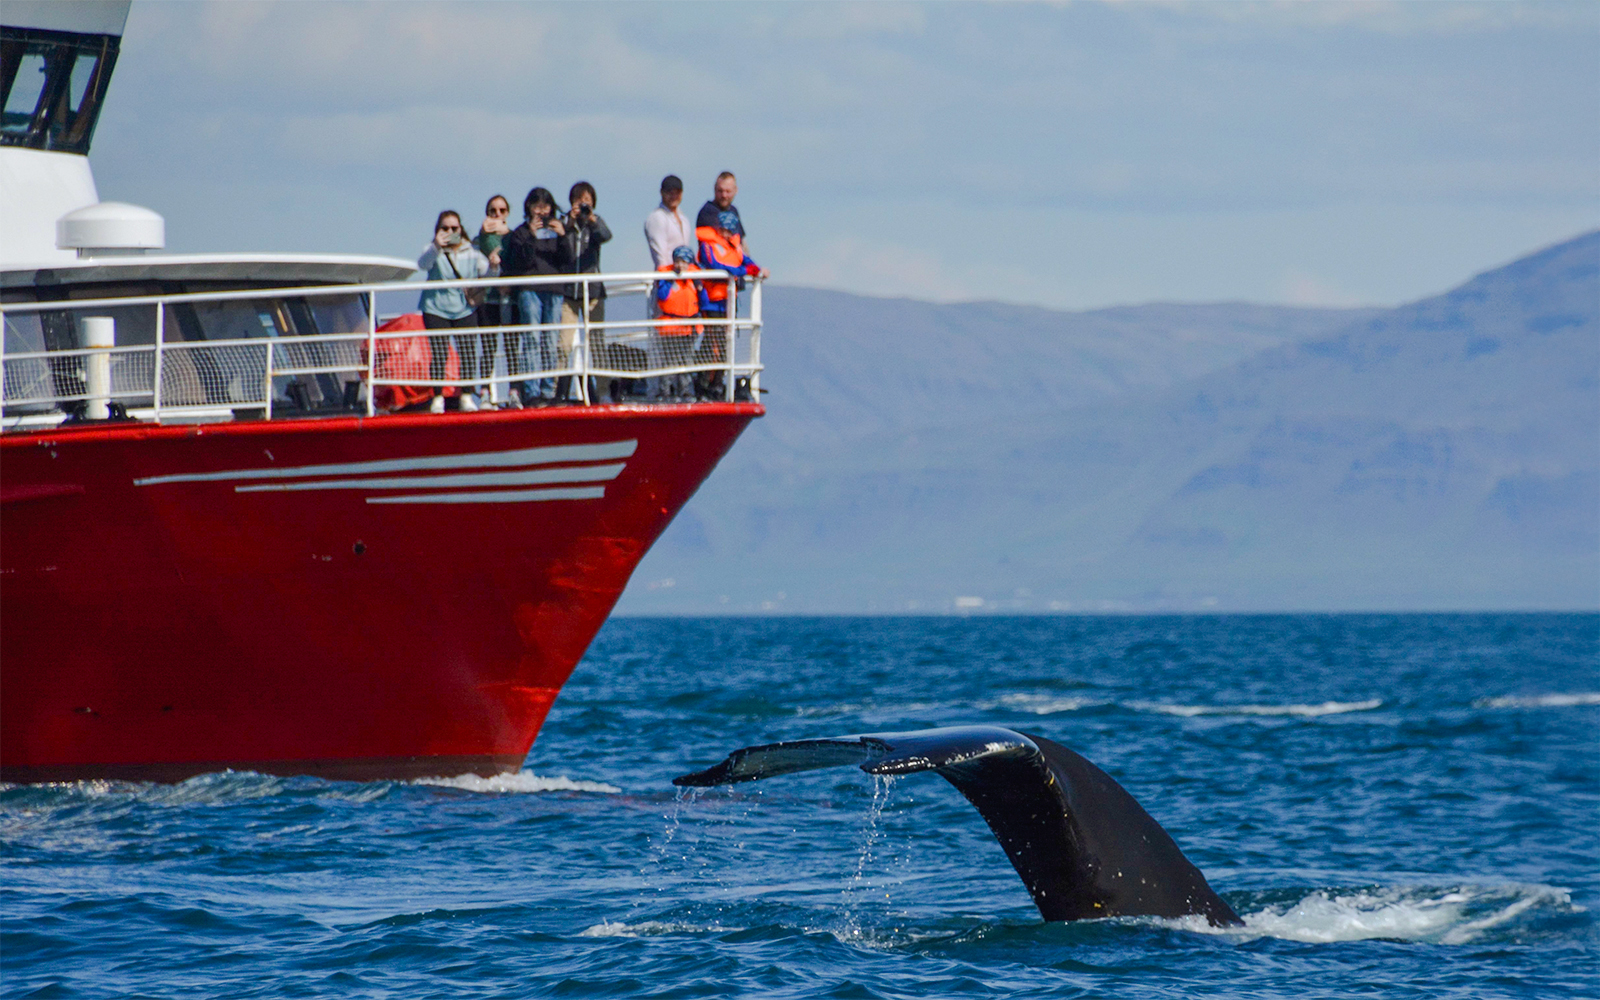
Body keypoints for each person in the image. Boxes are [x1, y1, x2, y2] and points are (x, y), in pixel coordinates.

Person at [417, 210, 494, 413]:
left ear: (461, 230)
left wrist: (494, 265)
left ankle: (466, 396)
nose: (450, 232)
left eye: (454, 228)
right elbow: (422, 264)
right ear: (437, 230)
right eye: (445, 228)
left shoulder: (472, 252)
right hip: (435, 308)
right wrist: (436, 247)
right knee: (439, 354)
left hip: (464, 309)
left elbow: (489, 274)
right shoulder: (431, 249)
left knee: (468, 352)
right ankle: (438, 398)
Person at [498, 187, 570, 404]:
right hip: (529, 290)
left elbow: (567, 260)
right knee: (531, 339)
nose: (541, 211)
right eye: (537, 206)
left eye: (546, 206)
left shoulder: (559, 230)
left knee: (549, 341)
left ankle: (548, 391)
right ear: (529, 207)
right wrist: (530, 235)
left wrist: (564, 236)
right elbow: (519, 263)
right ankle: (531, 391)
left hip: (554, 290)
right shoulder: (520, 233)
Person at [694, 209, 766, 400]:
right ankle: (702, 384)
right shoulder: (708, 245)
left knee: (726, 343)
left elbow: (748, 261)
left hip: (728, 301)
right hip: (711, 302)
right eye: (722, 229)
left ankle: (717, 384)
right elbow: (714, 265)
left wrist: (756, 270)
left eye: (729, 230)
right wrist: (741, 270)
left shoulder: (735, 247)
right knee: (712, 344)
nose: (725, 233)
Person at [558, 180, 615, 401]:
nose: (582, 206)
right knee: (563, 343)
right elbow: (558, 246)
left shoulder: (595, 224)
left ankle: (603, 392)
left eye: (587, 202)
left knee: (597, 343)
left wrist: (591, 219)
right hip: (569, 293)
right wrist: (568, 223)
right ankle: (558, 392)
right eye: (578, 201)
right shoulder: (564, 224)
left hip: (593, 292)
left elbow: (606, 235)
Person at [651, 245, 705, 400]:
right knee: (668, 360)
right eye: (677, 261)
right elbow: (662, 295)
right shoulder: (666, 276)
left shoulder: (694, 279)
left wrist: (700, 287)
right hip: (669, 326)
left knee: (686, 359)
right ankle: (665, 391)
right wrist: (669, 280)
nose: (680, 265)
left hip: (688, 327)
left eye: (683, 262)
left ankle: (686, 391)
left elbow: (703, 300)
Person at [471, 194, 511, 404]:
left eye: (502, 211)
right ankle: (485, 392)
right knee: (488, 347)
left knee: (512, 345)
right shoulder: (478, 241)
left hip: (507, 299)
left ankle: (515, 392)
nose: (497, 215)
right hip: (487, 298)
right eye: (492, 211)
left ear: (508, 213)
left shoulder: (513, 237)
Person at [644, 174, 694, 269]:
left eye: (677, 192)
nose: (674, 196)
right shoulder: (657, 217)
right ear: (662, 193)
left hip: (684, 278)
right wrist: (666, 279)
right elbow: (660, 256)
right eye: (670, 192)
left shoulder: (684, 218)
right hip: (668, 278)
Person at [695, 170, 742, 237]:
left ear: (736, 190)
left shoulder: (733, 211)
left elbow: (741, 240)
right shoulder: (707, 212)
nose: (724, 195)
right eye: (720, 191)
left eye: (728, 191)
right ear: (715, 189)